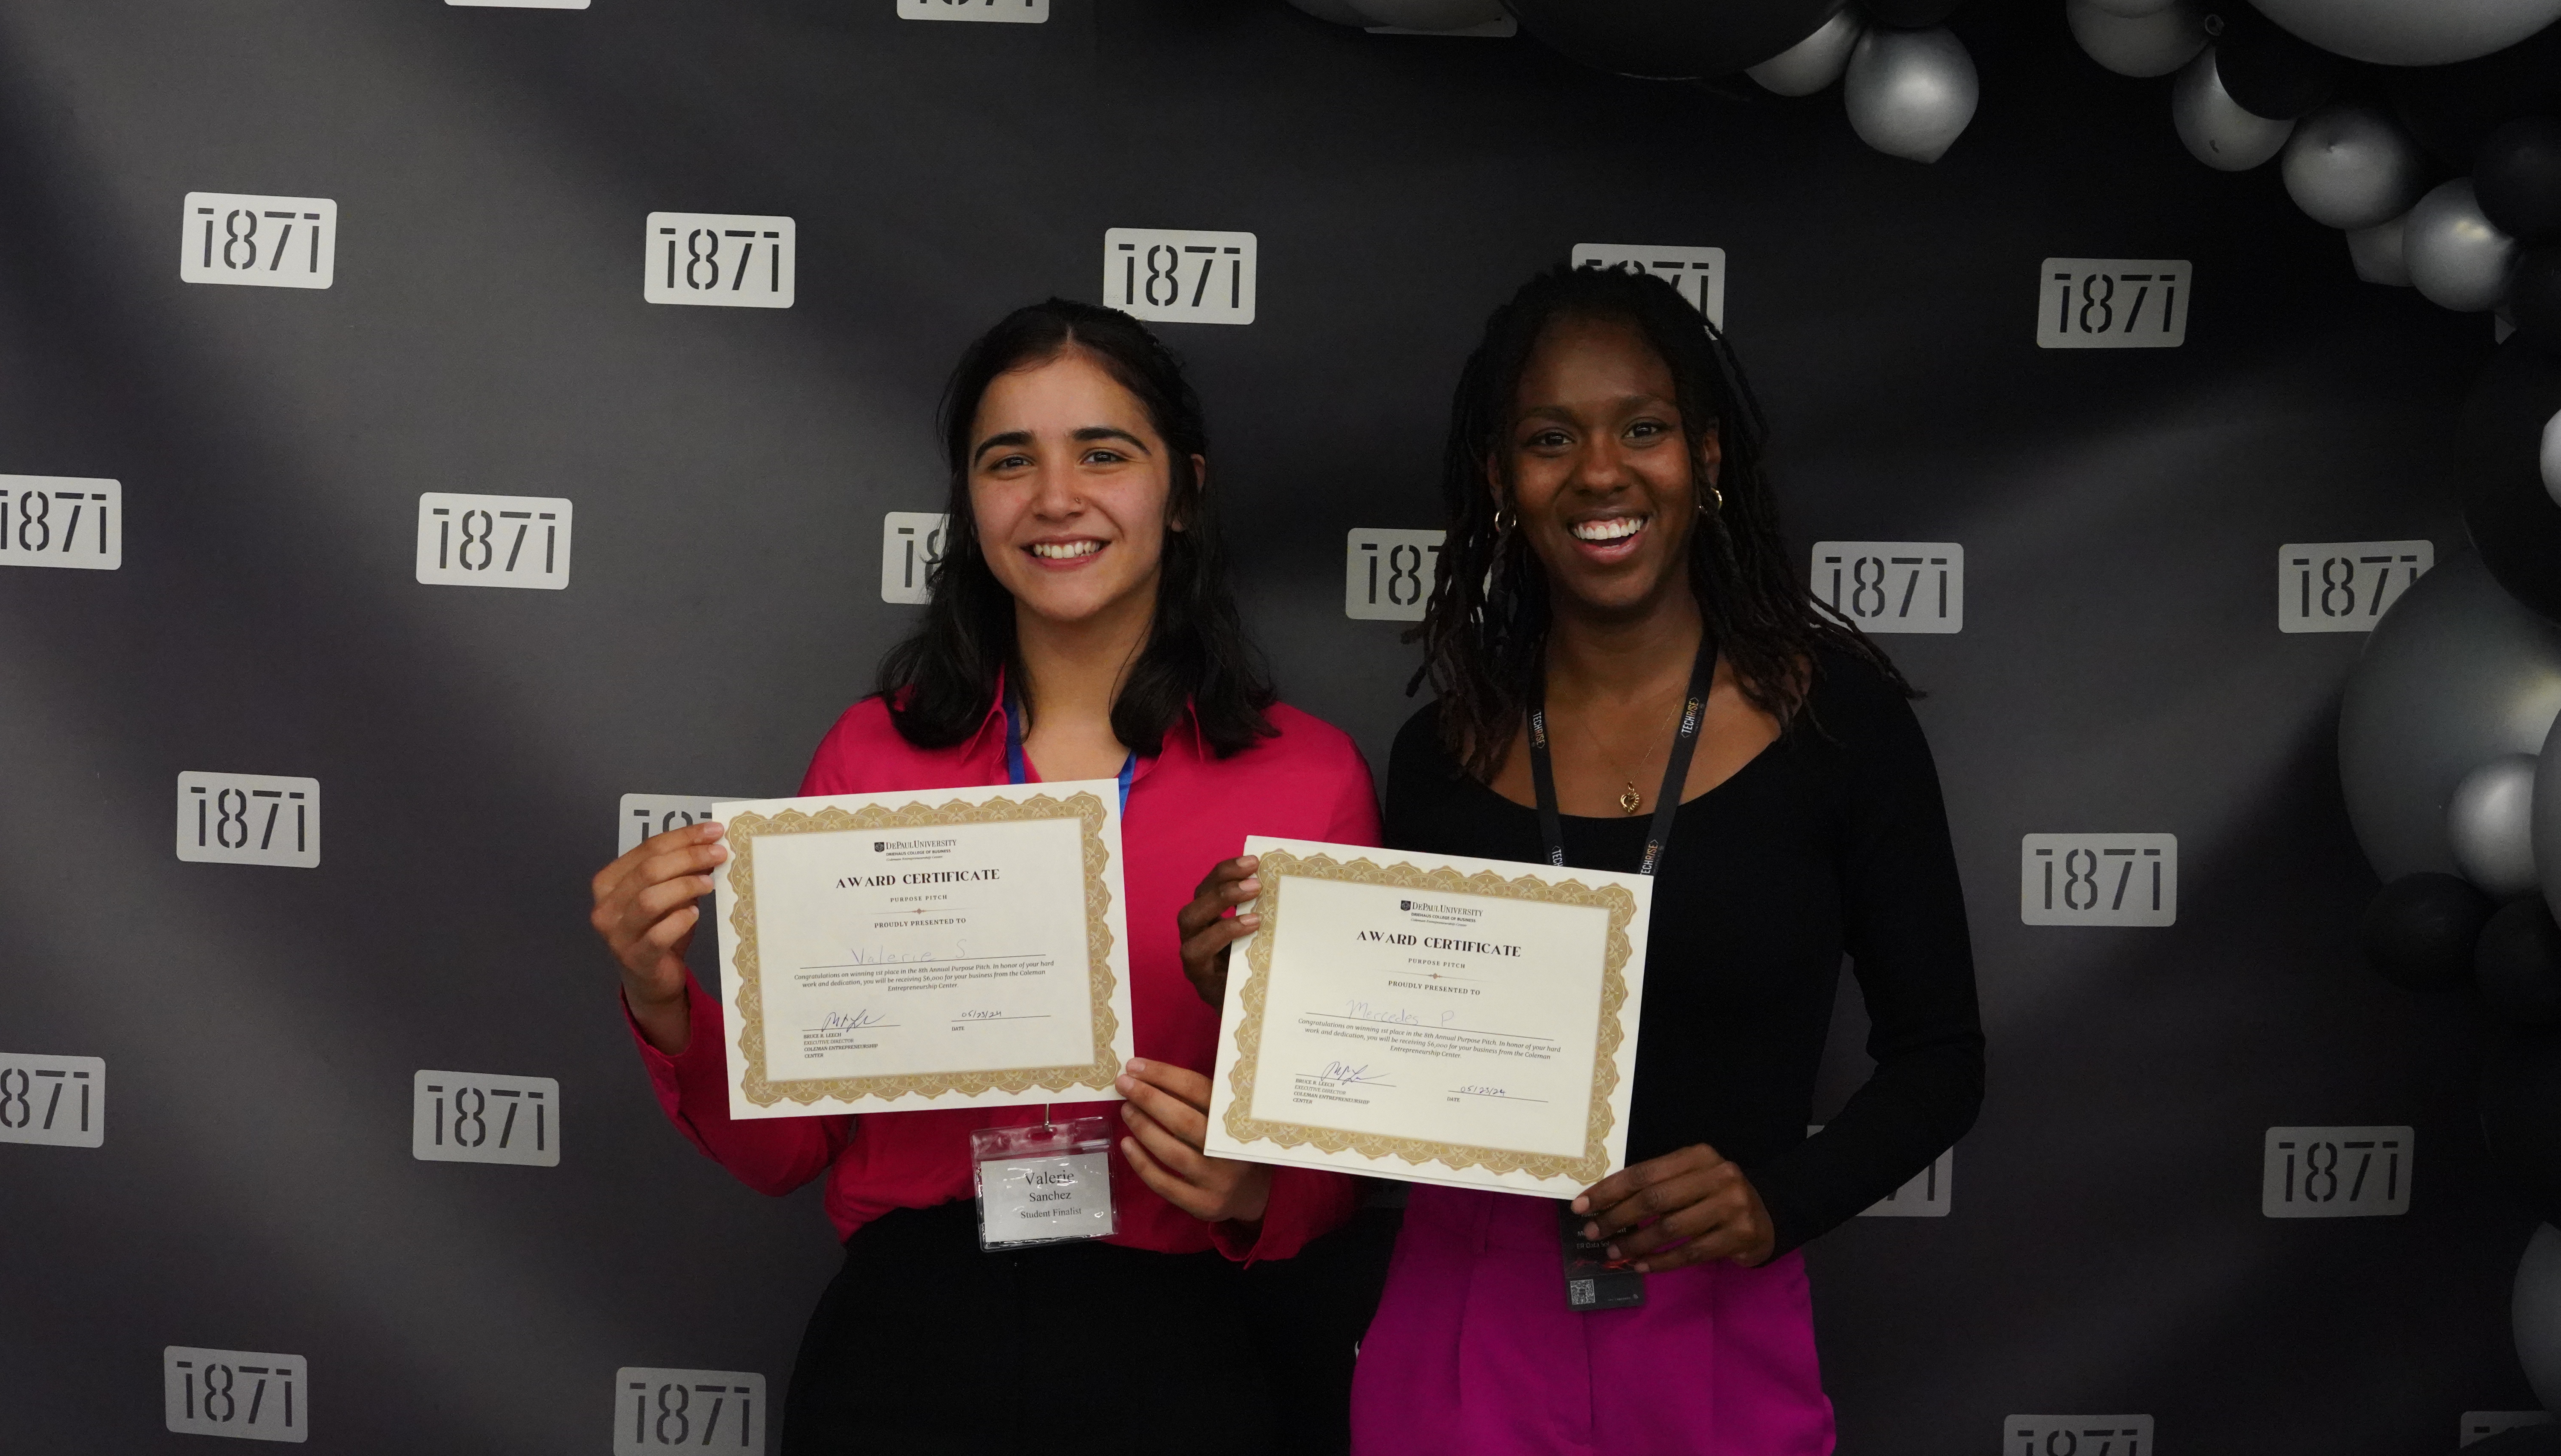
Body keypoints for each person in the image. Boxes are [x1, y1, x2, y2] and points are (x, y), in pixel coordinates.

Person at [588, 299, 1388, 1456]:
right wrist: (662, 997)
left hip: (1177, 1356)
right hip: (908, 1350)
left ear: (1188, 485)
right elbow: (785, 1155)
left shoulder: (1306, 778)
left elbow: (1340, 1176)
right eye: (1010, 461)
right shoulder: (870, 758)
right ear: (971, 501)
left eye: (1104, 454)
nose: (1055, 498)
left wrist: (1255, 1190)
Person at [1347, 265, 1983, 1454]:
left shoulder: (1840, 722)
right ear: (1499, 481)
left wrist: (1774, 1200)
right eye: (1550, 439)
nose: (1600, 473)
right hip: (1465, 1324)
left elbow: (1941, 1060)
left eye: (1642, 428)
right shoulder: (1439, 754)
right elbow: (1391, 1065)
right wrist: (1252, 988)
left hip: (1717, 1321)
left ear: (1708, 455)